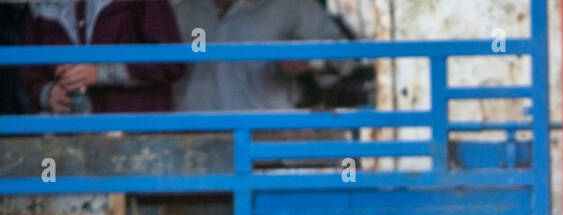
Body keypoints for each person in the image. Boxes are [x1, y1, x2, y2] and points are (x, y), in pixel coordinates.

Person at [172, 0, 348, 111]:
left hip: (265, 137)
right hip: (197, 135)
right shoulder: (182, 11)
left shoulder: (291, 5)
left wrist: (310, 62)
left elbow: (345, 57)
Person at [22, 0, 185, 114]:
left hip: (135, 136)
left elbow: (171, 62)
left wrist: (101, 73)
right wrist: (49, 94)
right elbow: (30, 72)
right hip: (70, 138)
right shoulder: (39, 5)